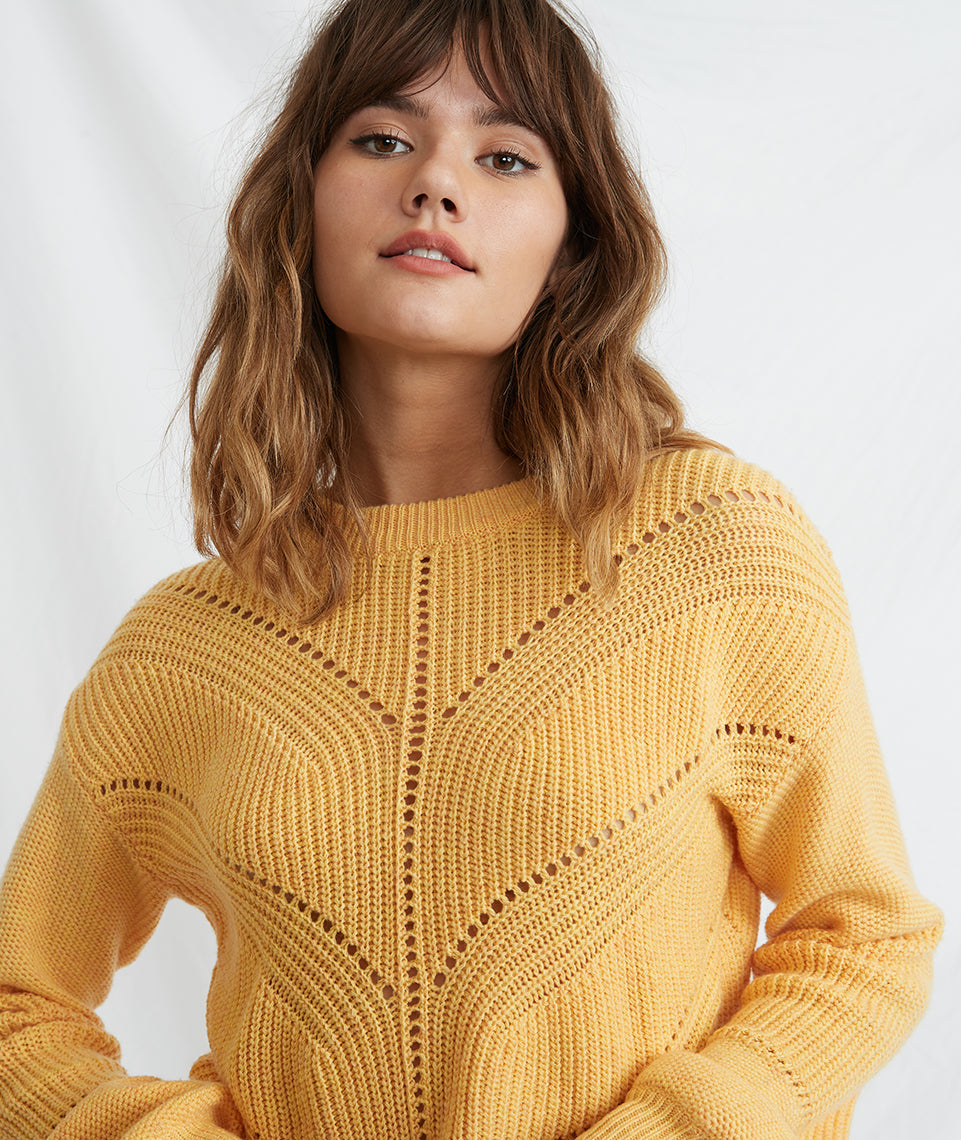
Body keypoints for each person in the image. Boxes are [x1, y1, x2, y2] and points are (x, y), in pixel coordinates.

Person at [0, 0, 943, 1137]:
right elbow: (17, 1009)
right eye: (382, 138)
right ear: (300, 201)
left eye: (505, 157)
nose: (436, 184)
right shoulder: (186, 647)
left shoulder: (711, 549)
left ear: (572, 244)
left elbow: (862, 932)